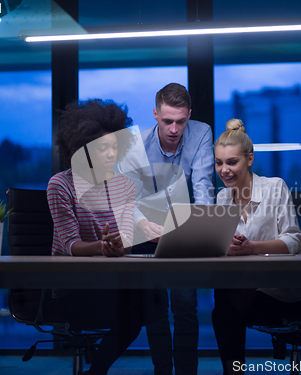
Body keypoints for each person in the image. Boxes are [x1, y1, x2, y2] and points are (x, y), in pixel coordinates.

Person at [117, 83, 215, 375]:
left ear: (189, 116)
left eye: (181, 121)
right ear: (156, 114)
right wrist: (142, 223)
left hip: (185, 226)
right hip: (147, 228)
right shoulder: (136, 144)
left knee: (185, 305)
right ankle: (163, 371)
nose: (174, 129)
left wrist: (201, 224)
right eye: (167, 121)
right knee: (156, 308)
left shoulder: (201, 133)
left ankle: (187, 373)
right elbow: (127, 197)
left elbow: (204, 185)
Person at [45, 99, 144, 375]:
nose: (111, 154)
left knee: (153, 301)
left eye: (115, 146)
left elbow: (126, 239)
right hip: (72, 288)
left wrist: (118, 245)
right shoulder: (60, 185)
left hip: (110, 282)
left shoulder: (123, 185)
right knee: (133, 316)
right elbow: (70, 246)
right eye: (103, 148)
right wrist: (101, 246)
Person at [211, 119, 301, 375]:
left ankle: (232, 372)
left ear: (249, 159)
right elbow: (222, 245)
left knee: (223, 305)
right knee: (225, 297)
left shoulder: (274, 187)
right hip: (244, 287)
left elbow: (293, 241)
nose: (224, 170)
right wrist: (225, 249)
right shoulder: (222, 197)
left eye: (231, 162)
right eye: (219, 163)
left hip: (283, 291)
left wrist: (251, 247)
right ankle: (233, 371)